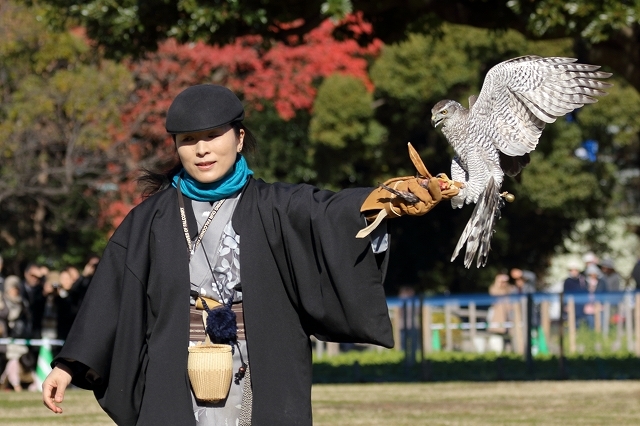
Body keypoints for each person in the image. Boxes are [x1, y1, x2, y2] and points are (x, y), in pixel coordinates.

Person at [42, 84, 459, 425]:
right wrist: (68, 366)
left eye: (212, 136)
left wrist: (380, 203)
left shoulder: (278, 206)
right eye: (188, 141)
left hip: (259, 364)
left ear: (239, 138)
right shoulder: (150, 218)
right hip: (175, 368)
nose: (201, 149)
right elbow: (111, 295)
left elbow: (330, 214)